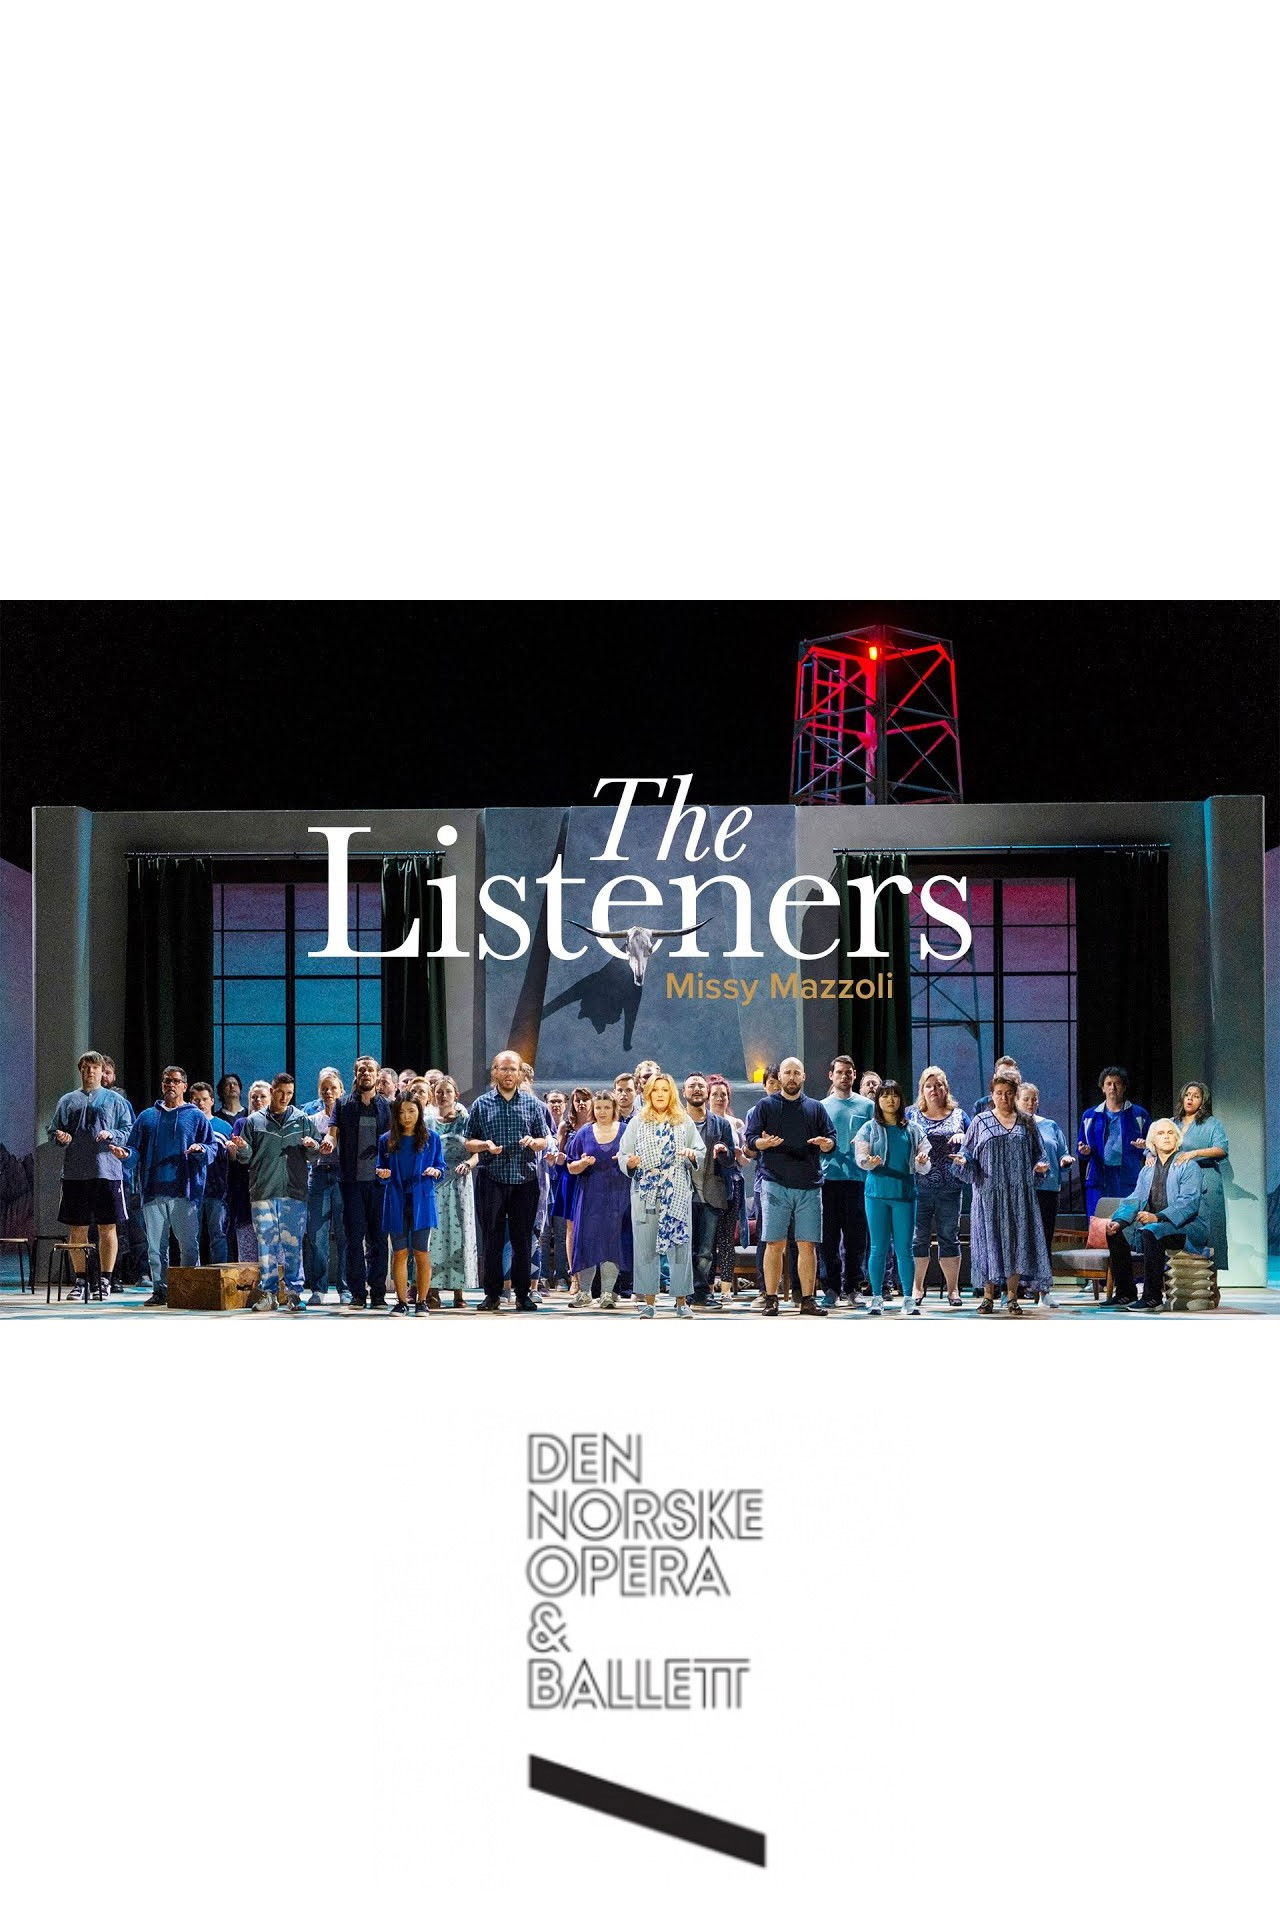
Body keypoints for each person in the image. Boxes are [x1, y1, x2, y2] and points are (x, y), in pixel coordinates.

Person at [744, 1057, 834, 1317]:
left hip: (809, 1185)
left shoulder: (816, 1107)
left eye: (796, 1072)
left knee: (807, 1245)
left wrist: (827, 1144)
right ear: (780, 1077)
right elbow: (750, 1139)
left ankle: (807, 1299)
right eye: (787, 1073)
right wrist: (761, 1144)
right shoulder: (765, 1106)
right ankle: (771, 1298)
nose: (792, 1077)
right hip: (775, 1183)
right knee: (774, 1244)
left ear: (803, 1076)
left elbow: (831, 1138)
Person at [957, 1069, 1052, 1315]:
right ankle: (988, 1296)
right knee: (989, 1242)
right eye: (999, 1093)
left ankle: (1012, 1297)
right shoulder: (980, 1121)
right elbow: (967, 1152)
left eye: (1009, 1093)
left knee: (1016, 1243)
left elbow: (1039, 1155)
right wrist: (963, 1161)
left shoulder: (1026, 1122)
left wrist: (1040, 1167)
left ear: (1015, 1095)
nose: (1004, 1097)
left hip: (1019, 1194)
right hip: (988, 1193)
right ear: (992, 1095)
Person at [227, 1072, 323, 1311]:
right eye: (280, 1092)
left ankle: (294, 1294)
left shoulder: (302, 1120)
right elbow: (245, 1158)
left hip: (294, 1192)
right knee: (266, 1246)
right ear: (272, 1091)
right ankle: (268, 1295)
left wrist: (313, 1146)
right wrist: (243, 1148)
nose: (284, 1097)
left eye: (289, 1093)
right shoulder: (254, 1121)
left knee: (293, 1246)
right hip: (263, 1192)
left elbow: (315, 1154)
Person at [465, 1049, 549, 1312]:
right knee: (492, 1238)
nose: (509, 1073)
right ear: (495, 1072)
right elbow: (469, 1141)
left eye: (513, 1069)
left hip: (525, 1179)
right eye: (504, 1068)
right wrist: (485, 1145)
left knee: (522, 1240)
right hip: (492, 1178)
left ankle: (523, 1295)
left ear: (520, 1073)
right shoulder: (481, 1104)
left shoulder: (533, 1104)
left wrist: (534, 1142)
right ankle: (492, 1295)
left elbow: (543, 1140)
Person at [127, 1066, 218, 1306]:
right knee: (156, 1248)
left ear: (184, 1086)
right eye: (167, 1081)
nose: (170, 1085)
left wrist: (201, 1149)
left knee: (188, 1245)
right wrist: (124, 1154)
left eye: (176, 1081)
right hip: (153, 1190)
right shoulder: (147, 1117)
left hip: (184, 1191)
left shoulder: (196, 1116)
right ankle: (161, 1290)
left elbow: (212, 1148)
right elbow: (133, 1149)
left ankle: (191, 1289)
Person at [47, 1049, 134, 1301]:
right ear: (80, 1071)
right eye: (85, 1067)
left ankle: (105, 1280)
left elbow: (129, 1129)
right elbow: (53, 1130)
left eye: (94, 1067)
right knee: (77, 1229)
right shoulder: (67, 1100)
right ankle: (81, 1280)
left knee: (108, 1226)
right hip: (75, 1173)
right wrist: (60, 1137)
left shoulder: (115, 1100)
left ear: (101, 1071)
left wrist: (112, 1134)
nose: (90, 1072)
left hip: (107, 1171)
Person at [618, 1073, 704, 1316]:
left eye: (665, 1090)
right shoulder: (637, 1122)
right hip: (646, 1192)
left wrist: (691, 1155)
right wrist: (630, 1163)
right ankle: (649, 1302)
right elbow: (624, 1154)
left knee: (680, 1248)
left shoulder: (683, 1121)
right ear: (648, 1093)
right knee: (645, 1248)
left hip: (676, 1190)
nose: (660, 1094)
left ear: (671, 1093)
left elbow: (699, 1149)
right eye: (655, 1090)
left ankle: (681, 1302)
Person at [1105, 1117, 1207, 1311]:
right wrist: (1119, 1221)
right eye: (1161, 1133)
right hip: (1155, 1226)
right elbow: (1135, 1199)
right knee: (1115, 1231)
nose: (1166, 1137)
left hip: (1185, 1227)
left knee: (1152, 1231)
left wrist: (1157, 1217)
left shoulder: (1188, 1166)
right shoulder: (1147, 1170)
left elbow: (1189, 1202)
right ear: (1153, 1141)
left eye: (1170, 1133)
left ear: (1177, 1139)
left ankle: (1152, 1297)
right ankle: (1125, 1293)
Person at [855, 1082, 931, 1313]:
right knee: (877, 1248)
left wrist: (922, 1161)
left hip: (904, 1195)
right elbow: (860, 1159)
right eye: (885, 1096)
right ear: (878, 1101)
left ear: (901, 1100)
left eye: (894, 1096)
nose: (890, 1100)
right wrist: (869, 1161)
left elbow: (925, 1165)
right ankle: (877, 1297)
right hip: (876, 1195)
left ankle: (908, 1297)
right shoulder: (868, 1128)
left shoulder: (913, 1129)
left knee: (904, 1249)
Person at [906, 1066, 970, 1309]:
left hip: (950, 1187)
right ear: (922, 1090)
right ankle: (917, 1287)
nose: (934, 1090)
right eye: (929, 1086)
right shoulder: (911, 1114)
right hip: (918, 1187)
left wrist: (964, 1140)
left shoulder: (960, 1115)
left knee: (949, 1237)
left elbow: (975, 1144)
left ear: (946, 1088)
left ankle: (953, 1290)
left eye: (939, 1085)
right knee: (918, 1238)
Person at [376, 1095, 445, 1315]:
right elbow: (380, 1169)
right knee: (400, 1253)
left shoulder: (432, 1138)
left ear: (419, 1112)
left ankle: (422, 1301)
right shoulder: (386, 1139)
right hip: (395, 1201)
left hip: (422, 1200)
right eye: (402, 1112)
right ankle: (401, 1302)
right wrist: (382, 1173)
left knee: (421, 1252)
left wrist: (436, 1171)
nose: (407, 1116)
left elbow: (440, 1166)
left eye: (411, 1111)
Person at [565, 1090, 632, 1307]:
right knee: (587, 1241)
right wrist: (583, 1164)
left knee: (613, 1243)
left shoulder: (625, 1131)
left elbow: (635, 1161)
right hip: (589, 1196)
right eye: (599, 1107)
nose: (602, 1112)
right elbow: (571, 1166)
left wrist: (626, 1160)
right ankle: (584, 1292)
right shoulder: (584, 1133)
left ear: (614, 1109)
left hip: (617, 1195)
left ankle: (607, 1293)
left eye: (607, 1107)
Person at [819, 1055, 875, 1306]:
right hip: (828, 1180)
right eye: (840, 1072)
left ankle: (853, 1287)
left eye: (849, 1072)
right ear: (831, 1075)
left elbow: (877, 1138)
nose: (844, 1076)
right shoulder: (820, 1107)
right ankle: (831, 1289)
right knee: (828, 1239)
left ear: (854, 1076)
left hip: (858, 1180)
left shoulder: (867, 1106)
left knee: (856, 1239)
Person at [681, 1073, 736, 1311]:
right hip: (682, 1193)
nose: (696, 1089)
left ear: (707, 1092)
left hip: (711, 1193)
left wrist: (724, 1152)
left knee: (705, 1251)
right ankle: (684, 1292)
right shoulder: (676, 1122)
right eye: (691, 1086)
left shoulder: (721, 1124)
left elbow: (731, 1159)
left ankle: (702, 1293)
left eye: (700, 1086)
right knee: (684, 1248)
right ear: (684, 1092)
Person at [1015, 1082, 1073, 1303]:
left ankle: (1044, 1290)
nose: (1031, 1103)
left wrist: (1065, 1160)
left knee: (1044, 1240)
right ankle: (1015, 1289)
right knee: (1021, 1240)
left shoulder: (1050, 1125)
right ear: (1017, 1101)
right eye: (1026, 1099)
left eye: (1034, 1099)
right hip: (1022, 1191)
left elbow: (1062, 1153)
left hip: (1048, 1189)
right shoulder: (1013, 1125)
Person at [430, 1075, 479, 1308]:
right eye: (439, 1092)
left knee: (459, 1233)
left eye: (448, 1091)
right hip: (435, 1182)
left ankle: (459, 1291)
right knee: (434, 1235)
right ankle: (432, 1290)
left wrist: (468, 1163)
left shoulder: (465, 1120)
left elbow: (476, 1152)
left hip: (459, 1182)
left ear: (456, 1095)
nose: (443, 1096)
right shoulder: (428, 1121)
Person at [99, 1055, 146, 1291]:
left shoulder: (120, 1100)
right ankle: (97, 1276)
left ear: (114, 1075)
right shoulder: (86, 1099)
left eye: (107, 1072)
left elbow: (131, 1133)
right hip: (94, 1174)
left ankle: (116, 1276)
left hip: (120, 1175)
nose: (103, 1077)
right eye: (100, 1072)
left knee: (121, 1227)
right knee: (97, 1228)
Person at [1170, 1081, 1230, 1269]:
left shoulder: (1212, 1124)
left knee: (1210, 1229)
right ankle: (1179, 1278)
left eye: (1196, 1096)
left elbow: (1221, 1149)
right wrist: (1148, 1152)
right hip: (1180, 1181)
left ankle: (1210, 1278)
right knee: (1179, 1225)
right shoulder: (1173, 1123)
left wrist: (1194, 1153)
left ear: (1203, 1101)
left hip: (1206, 1179)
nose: (1190, 1099)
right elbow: (1156, 1141)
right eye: (1188, 1095)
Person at [1077, 1067, 1151, 1215]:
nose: (1113, 1087)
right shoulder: (1090, 1116)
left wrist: (1145, 1146)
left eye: (1117, 1083)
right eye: (1109, 1083)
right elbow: (1080, 1148)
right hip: (1099, 1178)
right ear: (1102, 1088)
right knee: (1098, 1221)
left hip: (1129, 1177)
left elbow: (1152, 1145)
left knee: (1127, 1220)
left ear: (1124, 1087)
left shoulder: (1139, 1114)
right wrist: (1084, 1151)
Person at [302, 1067, 347, 1305]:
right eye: (324, 1089)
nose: (329, 1092)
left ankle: (345, 1288)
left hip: (342, 1177)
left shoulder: (347, 1118)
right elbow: (306, 1155)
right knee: (317, 1234)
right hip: (318, 1176)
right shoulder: (312, 1120)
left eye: (333, 1088)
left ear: (341, 1091)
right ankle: (318, 1289)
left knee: (344, 1233)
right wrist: (311, 1146)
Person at [188, 1080, 233, 1263]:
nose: (201, 1103)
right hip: (192, 1189)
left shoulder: (224, 1127)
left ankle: (220, 1274)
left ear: (212, 1101)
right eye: (196, 1100)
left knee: (219, 1235)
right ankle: (194, 1275)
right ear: (190, 1102)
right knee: (191, 1237)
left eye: (205, 1099)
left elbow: (233, 1158)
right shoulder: (187, 1125)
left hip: (217, 1190)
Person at [225, 1079, 269, 1262]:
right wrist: (233, 1153)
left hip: (271, 1195)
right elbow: (235, 1162)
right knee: (248, 1256)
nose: (258, 1100)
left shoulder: (277, 1124)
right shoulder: (241, 1123)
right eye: (254, 1097)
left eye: (262, 1097)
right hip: (246, 1194)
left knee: (272, 1256)